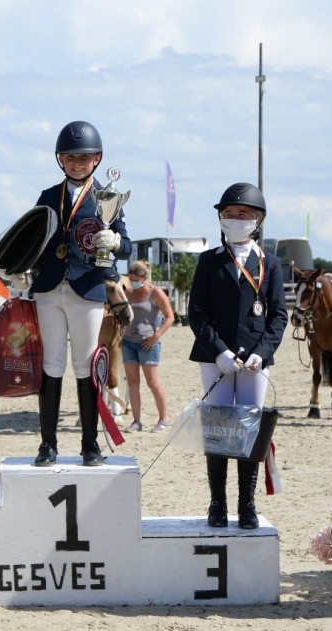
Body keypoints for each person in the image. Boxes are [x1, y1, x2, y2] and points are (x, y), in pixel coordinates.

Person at [26, 120, 132, 467]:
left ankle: (90, 444)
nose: (77, 163)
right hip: (49, 289)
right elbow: (31, 239)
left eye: (83, 158)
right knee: (51, 364)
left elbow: (127, 245)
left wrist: (115, 242)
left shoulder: (109, 197)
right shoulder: (46, 196)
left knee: (86, 364)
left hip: (87, 287)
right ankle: (48, 444)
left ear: (96, 159)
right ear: (61, 159)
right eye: (70, 157)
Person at [188, 182, 288, 529]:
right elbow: (196, 311)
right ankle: (217, 502)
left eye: (242, 214)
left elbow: (278, 315)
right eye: (228, 214)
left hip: (254, 363)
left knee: (249, 431)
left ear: (257, 220)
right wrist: (218, 351)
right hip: (215, 357)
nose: (235, 219)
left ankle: (247, 503)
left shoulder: (270, 264)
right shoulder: (209, 260)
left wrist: (262, 353)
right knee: (217, 429)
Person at [122, 260, 175, 433]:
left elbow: (170, 317)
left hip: (148, 344)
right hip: (128, 342)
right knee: (132, 382)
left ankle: (164, 418)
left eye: (135, 279)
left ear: (144, 278)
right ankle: (137, 421)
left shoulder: (155, 292)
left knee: (152, 383)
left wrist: (156, 336)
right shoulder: (128, 292)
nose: (132, 282)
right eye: (130, 279)